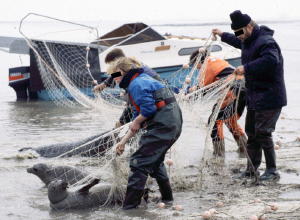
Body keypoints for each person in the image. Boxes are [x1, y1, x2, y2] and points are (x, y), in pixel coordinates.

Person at [212, 10, 287, 181]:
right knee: (251, 133)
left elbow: (271, 60)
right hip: (255, 96)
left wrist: (246, 68)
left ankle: (272, 170)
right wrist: (222, 34)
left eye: (240, 32)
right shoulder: (247, 40)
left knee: (263, 133)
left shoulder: (266, 42)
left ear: (249, 26)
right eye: (236, 33)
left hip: (270, 96)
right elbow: (236, 41)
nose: (238, 36)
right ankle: (251, 169)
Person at [109, 57, 182, 210]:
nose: (113, 80)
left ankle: (129, 209)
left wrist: (136, 123)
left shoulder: (137, 84)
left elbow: (148, 110)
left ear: (122, 72)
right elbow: (138, 120)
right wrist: (123, 142)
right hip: (172, 124)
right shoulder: (141, 79)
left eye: (114, 75)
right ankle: (168, 199)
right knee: (154, 161)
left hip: (164, 125)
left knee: (139, 161)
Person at [188, 48, 247, 157]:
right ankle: (244, 149)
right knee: (229, 119)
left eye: (195, 65)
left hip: (234, 91)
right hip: (243, 89)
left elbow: (203, 90)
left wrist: (190, 92)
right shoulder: (216, 60)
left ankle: (219, 155)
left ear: (198, 61)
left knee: (214, 121)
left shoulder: (207, 66)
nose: (196, 69)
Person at [93, 48, 161, 127]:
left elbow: (132, 104)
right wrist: (104, 84)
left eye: (111, 64)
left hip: (155, 92)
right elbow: (114, 75)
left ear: (117, 61)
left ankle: (122, 125)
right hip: (156, 88)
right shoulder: (129, 65)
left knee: (132, 104)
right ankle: (124, 124)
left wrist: (121, 121)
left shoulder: (130, 69)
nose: (111, 67)